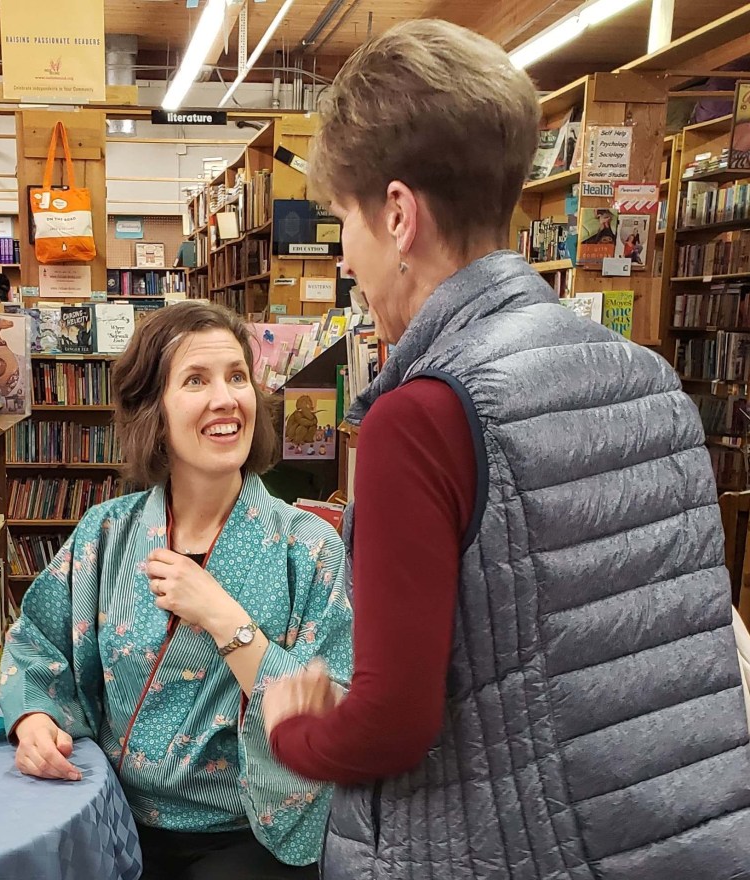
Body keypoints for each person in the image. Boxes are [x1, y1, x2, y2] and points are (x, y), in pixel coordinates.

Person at [262, 19, 750, 880]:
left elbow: (394, 723)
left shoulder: (420, 418)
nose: (345, 255)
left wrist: (295, 731)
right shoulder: (647, 375)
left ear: (400, 215)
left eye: (345, 219)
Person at [0, 300, 352, 879]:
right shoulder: (107, 533)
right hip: (107, 811)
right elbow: (37, 641)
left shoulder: (308, 548)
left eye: (237, 377)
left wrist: (227, 622)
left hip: (249, 838)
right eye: (196, 380)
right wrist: (33, 720)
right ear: (153, 412)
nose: (225, 399)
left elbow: (334, 710)